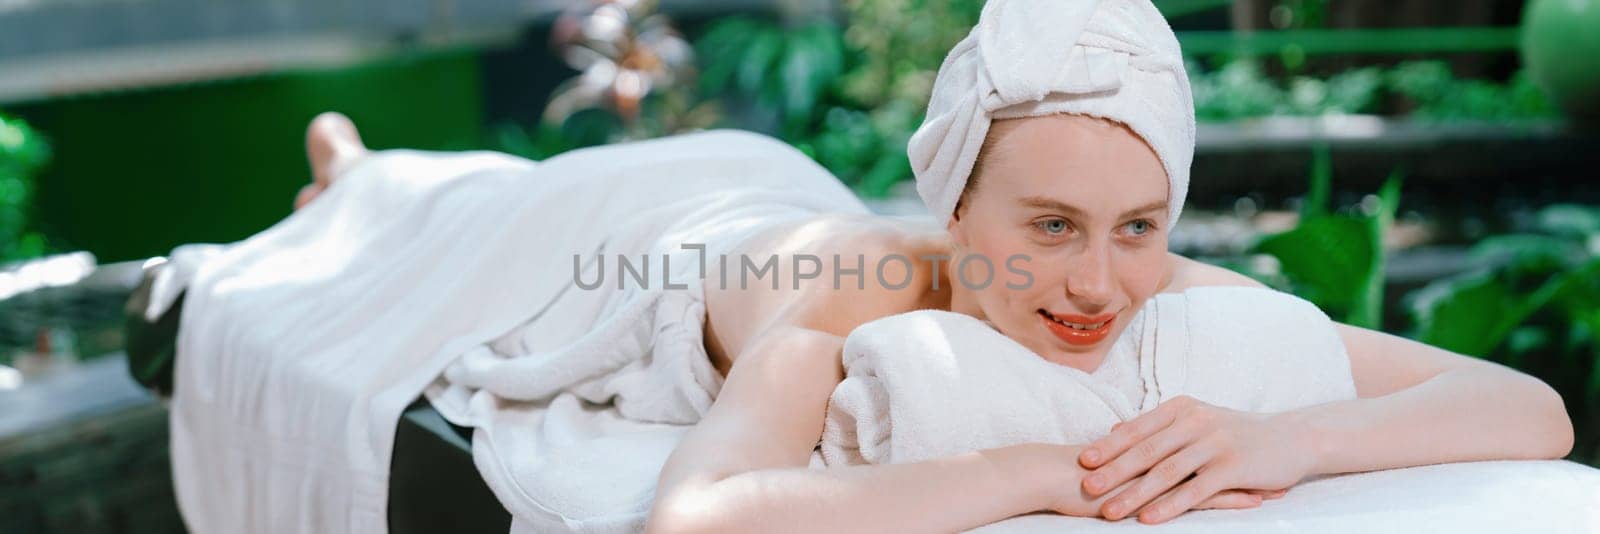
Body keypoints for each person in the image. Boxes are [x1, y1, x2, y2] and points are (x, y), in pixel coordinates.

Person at [292, 5, 1572, 531]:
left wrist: (1286, 444)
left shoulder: (1146, 280)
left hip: (776, 193)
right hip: (647, 232)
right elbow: (700, 516)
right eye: (1050, 227)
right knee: (443, 208)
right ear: (956, 210)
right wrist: (1022, 472)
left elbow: (1531, 410)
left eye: (1138, 224)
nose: (1096, 285)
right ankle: (354, 170)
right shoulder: (857, 304)